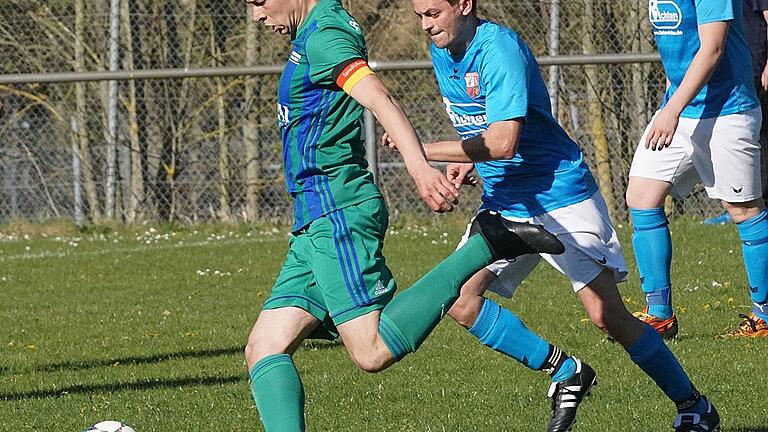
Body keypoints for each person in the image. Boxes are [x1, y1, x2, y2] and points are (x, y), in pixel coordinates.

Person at [384, 0, 720, 430]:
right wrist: (470, 159)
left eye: (433, 13)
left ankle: (694, 405)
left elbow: (504, 141)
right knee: (462, 299)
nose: (426, 26)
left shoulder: (499, 48)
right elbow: (483, 124)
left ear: (464, 4)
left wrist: (419, 150)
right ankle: (567, 371)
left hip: (557, 193)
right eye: (420, 17)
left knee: (607, 316)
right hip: (505, 199)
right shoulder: (443, 48)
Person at [241, 0, 564, 430]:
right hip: (313, 218)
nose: (256, 16)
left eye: (259, 2)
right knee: (264, 346)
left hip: (338, 213)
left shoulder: (324, 37)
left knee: (371, 351)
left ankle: (488, 242)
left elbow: (379, 97)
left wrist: (417, 167)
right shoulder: (316, 29)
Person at [629, 0, 768, 341]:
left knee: (744, 211)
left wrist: (671, 109)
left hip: (728, 113)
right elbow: (675, 48)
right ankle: (660, 315)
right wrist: (669, 100)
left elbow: (712, 48)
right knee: (641, 196)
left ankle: (764, 315)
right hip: (679, 111)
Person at [704, 0, 768, 225]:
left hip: (752, 71)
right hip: (732, 77)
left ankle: (751, 203)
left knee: (758, 141)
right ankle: (735, 203)